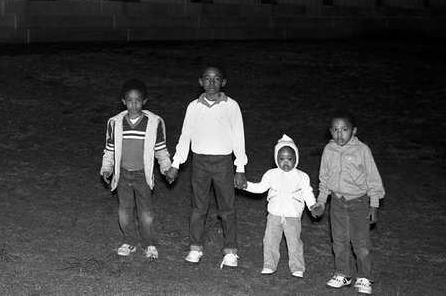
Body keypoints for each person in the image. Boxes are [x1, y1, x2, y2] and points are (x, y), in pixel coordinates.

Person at [169, 65, 247, 268]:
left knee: (227, 207)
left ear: (223, 82)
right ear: (200, 82)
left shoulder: (231, 106)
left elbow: (238, 137)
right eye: (207, 79)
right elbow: (185, 136)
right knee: (198, 207)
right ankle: (195, 248)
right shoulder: (193, 107)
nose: (211, 83)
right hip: (200, 162)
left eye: (216, 79)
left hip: (223, 163)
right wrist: (176, 163)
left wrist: (240, 167)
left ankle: (230, 251)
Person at [99, 79, 174, 260]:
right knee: (124, 210)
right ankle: (129, 241)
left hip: (143, 175)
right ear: (123, 102)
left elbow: (160, 150)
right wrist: (106, 168)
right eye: (130, 100)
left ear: (145, 101)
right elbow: (109, 150)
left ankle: (149, 244)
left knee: (145, 212)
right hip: (123, 174)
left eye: (138, 100)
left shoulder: (154, 122)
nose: (134, 104)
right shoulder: (115, 123)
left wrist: (166, 168)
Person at [311, 111, 384, 295]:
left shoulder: (362, 151)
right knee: (339, 241)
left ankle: (364, 277)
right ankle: (342, 274)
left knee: (361, 243)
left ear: (354, 131)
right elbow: (325, 178)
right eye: (335, 130)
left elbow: (373, 178)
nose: (339, 134)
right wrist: (321, 202)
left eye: (344, 129)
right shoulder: (329, 150)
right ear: (330, 131)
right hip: (337, 202)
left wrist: (373, 204)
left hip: (359, 202)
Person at [239, 133, 316, 277]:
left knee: (294, 244)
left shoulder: (302, 176)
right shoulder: (271, 174)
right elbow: (260, 187)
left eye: (289, 159)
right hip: (274, 215)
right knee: (270, 241)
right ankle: (269, 265)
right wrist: (245, 185)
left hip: (292, 216)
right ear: (276, 159)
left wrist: (313, 206)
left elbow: (307, 193)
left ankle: (297, 267)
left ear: (296, 158)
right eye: (281, 159)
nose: (285, 162)